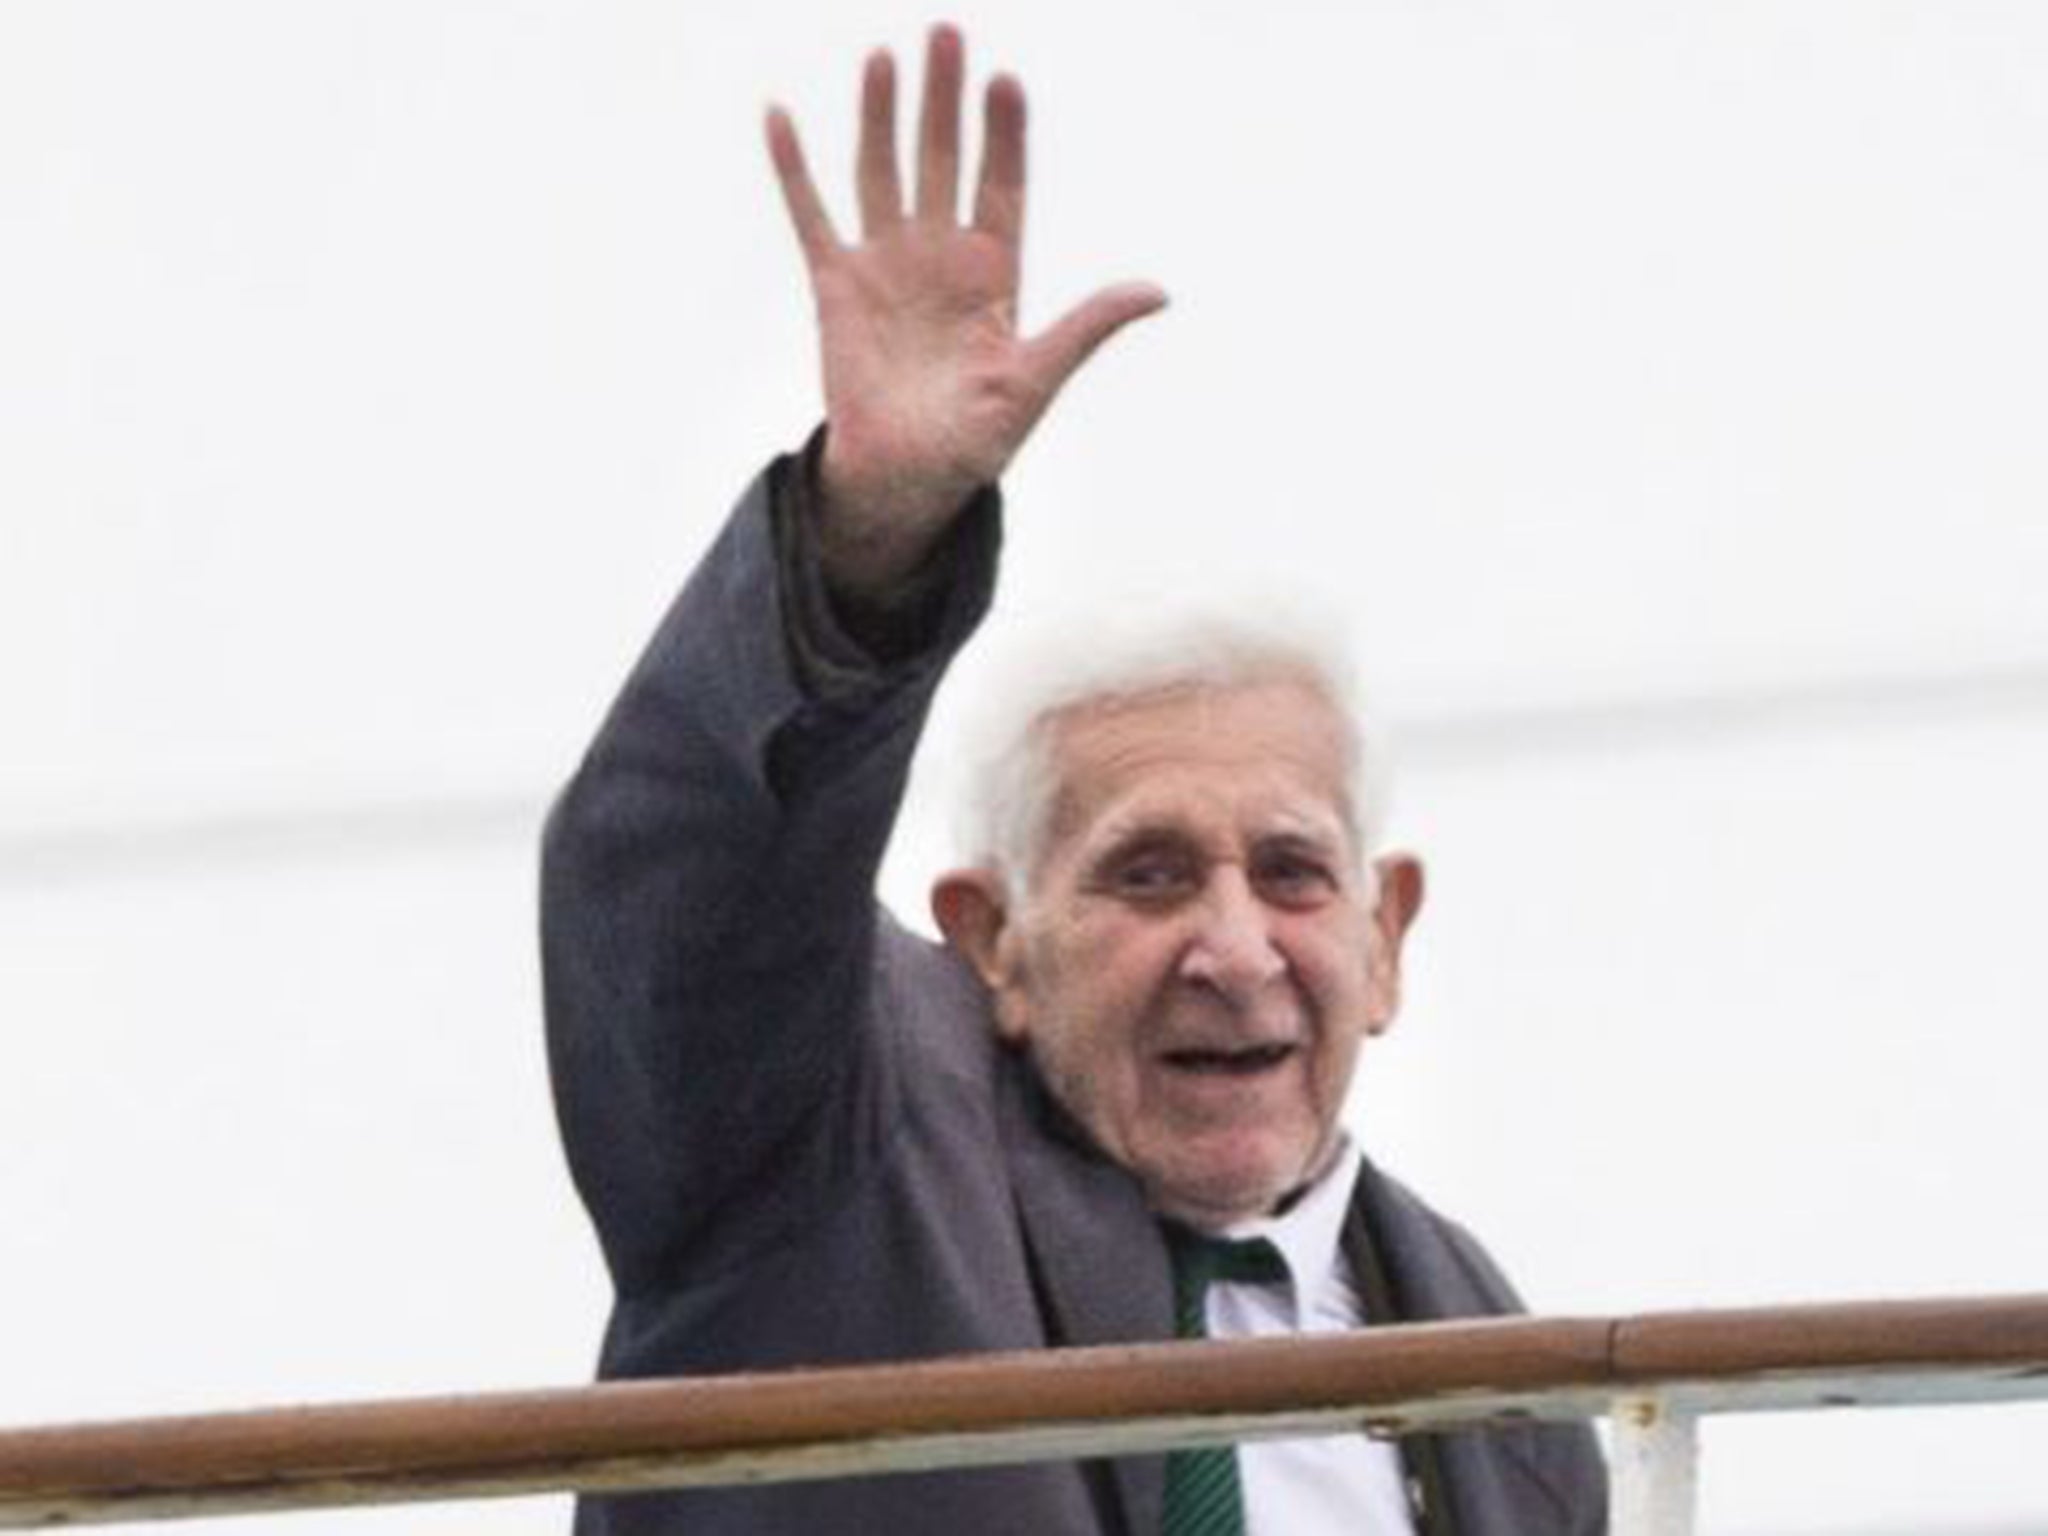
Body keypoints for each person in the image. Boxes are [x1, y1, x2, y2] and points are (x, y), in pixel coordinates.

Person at [541, 25, 1606, 1536]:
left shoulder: (1502, 1380)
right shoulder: (838, 1137)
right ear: (991, 942)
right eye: (1148, 872)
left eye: (1293, 874)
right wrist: (868, 538)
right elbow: (679, 894)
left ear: (1388, 940)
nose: (1233, 951)